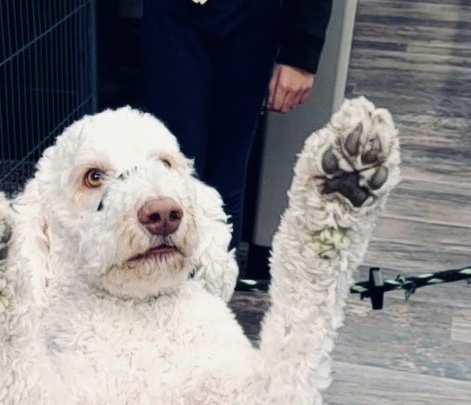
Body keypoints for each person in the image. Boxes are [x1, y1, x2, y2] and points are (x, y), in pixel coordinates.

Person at [141, 0, 333, 249]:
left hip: (249, 16)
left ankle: (218, 284)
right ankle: (172, 285)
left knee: (227, 179)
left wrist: (301, 53)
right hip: (172, 14)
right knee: (173, 171)